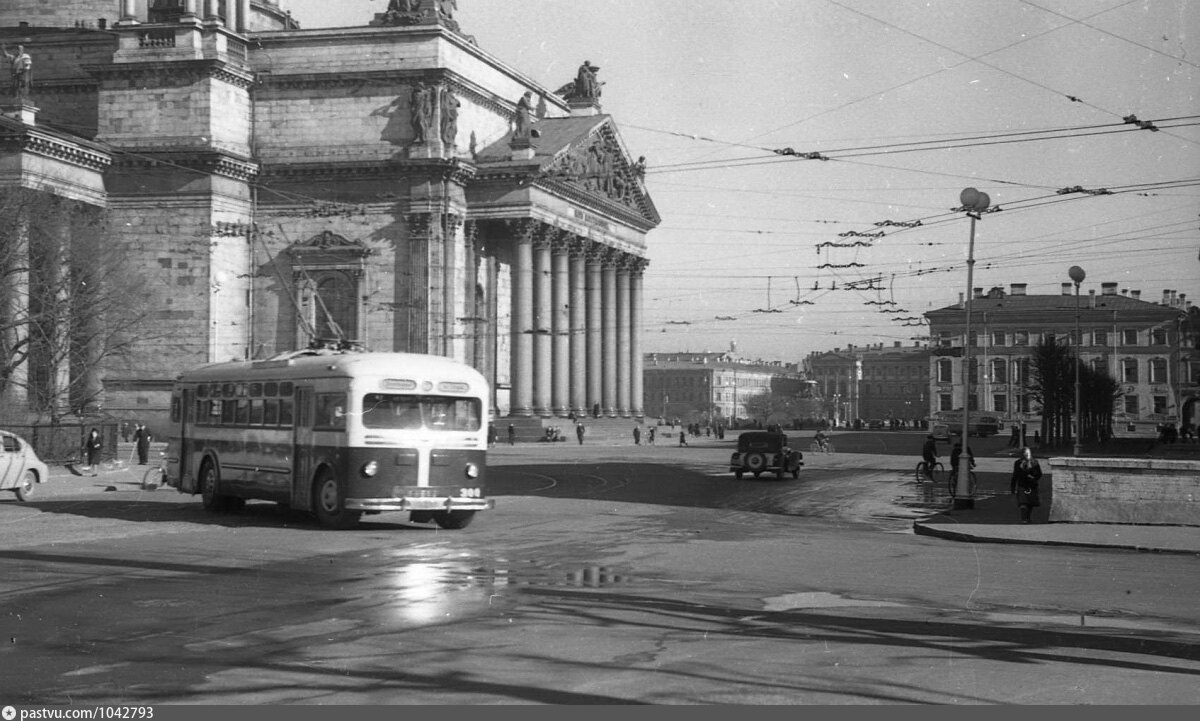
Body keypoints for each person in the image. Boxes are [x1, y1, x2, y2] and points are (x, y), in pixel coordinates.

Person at [1010, 446, 1043, 524]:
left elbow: (1039, 474)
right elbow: (1015, 475)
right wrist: (1013, 486)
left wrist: (1033, 477)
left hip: (1031, 485)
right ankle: (1024, 518)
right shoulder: (1018, 463)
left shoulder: (1034, 463)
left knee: (1030, 503)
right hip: (1023, 485)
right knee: (1023, 503)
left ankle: (1027, 517)